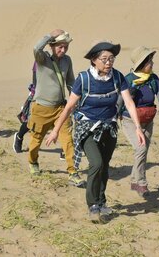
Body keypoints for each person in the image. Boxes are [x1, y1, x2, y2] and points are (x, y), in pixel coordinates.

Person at [45, 41, 146, 223]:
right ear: (94, 60)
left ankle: (101, 201)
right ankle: (92, 205)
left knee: (105, 167)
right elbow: (69, 107)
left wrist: (138, 127)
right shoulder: (84, 79)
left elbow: (129, 103)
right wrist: (55, 131)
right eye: (104, 59)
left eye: (111, 59)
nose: (109, 63)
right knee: (96, 164)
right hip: (87, 128)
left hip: (109, 127)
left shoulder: (117, 77)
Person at [27, 29, 84, 188]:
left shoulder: (67, 61)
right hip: (41, 108)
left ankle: (73, 172)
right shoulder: (42, 58)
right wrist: (49, 35)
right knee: (36, 141)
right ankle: (33, 161)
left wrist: (76, 99)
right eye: (59, 46)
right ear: (52, 46)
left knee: (68, 141)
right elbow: (36, 48)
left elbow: (71, 82)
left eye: (65, 46)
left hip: (61, 108)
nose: (63, 50)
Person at [119, 46, 159, 197]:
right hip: (130, 120)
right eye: (149, 61)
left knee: (142, 152)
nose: (152, 64)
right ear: (142, 63)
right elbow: (122, 100)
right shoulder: (129, 79)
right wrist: (133, 89)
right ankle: (141, 182)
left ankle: (134, 180)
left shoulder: (154, 79)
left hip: (148, 119)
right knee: (140, 149)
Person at [13, 62, 37, 153]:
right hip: (37, 96)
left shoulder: (61, 60)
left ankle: (64, 151)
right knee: (30, 121)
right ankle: (19, 136)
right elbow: (36, 82)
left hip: (54, 97)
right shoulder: (39, 61)